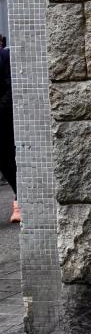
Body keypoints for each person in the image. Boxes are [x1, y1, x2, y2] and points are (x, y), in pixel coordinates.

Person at [0, 35, 17, 224]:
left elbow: (10, 87)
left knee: (8, 162)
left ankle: (20, 200)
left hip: (3, 120)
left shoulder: (4, 57)